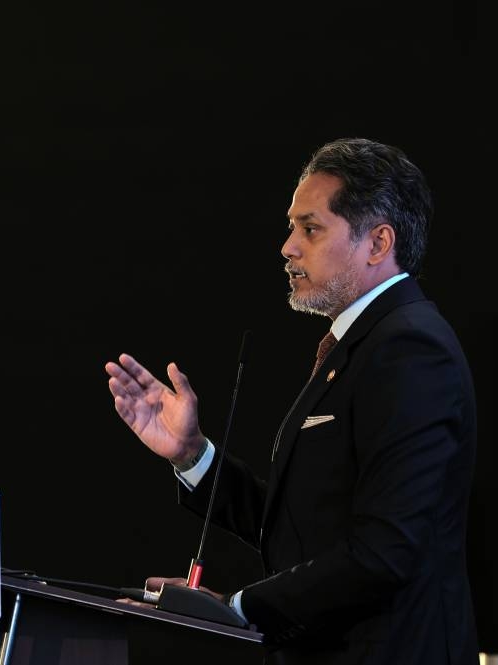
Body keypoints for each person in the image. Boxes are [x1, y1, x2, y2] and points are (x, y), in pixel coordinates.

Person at [105, 138, 478, 664]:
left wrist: (238, 608)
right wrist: (192, 456)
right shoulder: (364, 344)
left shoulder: (410, 349)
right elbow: (302, 529)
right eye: (292, 227)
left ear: (377, 243)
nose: (287, 247)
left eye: (311, 228)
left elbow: (386, 550)